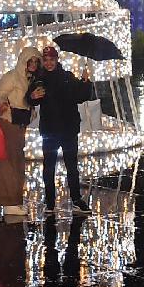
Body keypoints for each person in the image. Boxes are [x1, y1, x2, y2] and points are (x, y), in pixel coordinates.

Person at [31, 46, 91, 213]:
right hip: (50, 130)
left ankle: (76, 198)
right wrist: (32, 97)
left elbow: (81, 96)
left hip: (68, 129)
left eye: (52, 59)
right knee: (49, 167)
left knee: (71, 166)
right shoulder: (39, 79)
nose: (49, 63)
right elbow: (32, 99)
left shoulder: (67, 77)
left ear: (57, 60)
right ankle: (50, 201)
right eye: (46, 60)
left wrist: (86, 82)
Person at [0, 46, 40, 220]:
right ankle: (9, 203)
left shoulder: (31, 79)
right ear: (24, 61)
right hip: (9, 121)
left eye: (37, 61)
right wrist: (3, 104)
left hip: (21, 123)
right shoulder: (12, 76)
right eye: (31, 60)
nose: (34, 64)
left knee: (17, 160)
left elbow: (27, 101)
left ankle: (13, 200)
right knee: (9, 161)